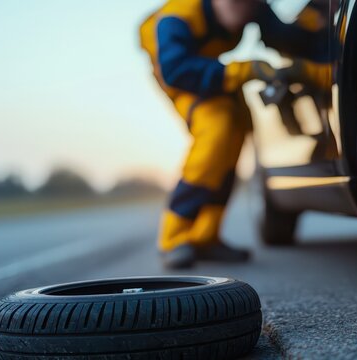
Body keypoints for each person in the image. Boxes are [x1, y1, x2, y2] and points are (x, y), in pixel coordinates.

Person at [140, 0, 329, 269]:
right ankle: (173, 237)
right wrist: (244, 69)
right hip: (177, 72)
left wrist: (317, 33)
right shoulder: (177, 19)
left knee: (239, 129)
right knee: (217, 133)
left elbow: (287, 38)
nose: (244, 9)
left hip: (206, 65)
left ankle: (206, 236)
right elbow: (176, 71)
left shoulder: (251, 7)